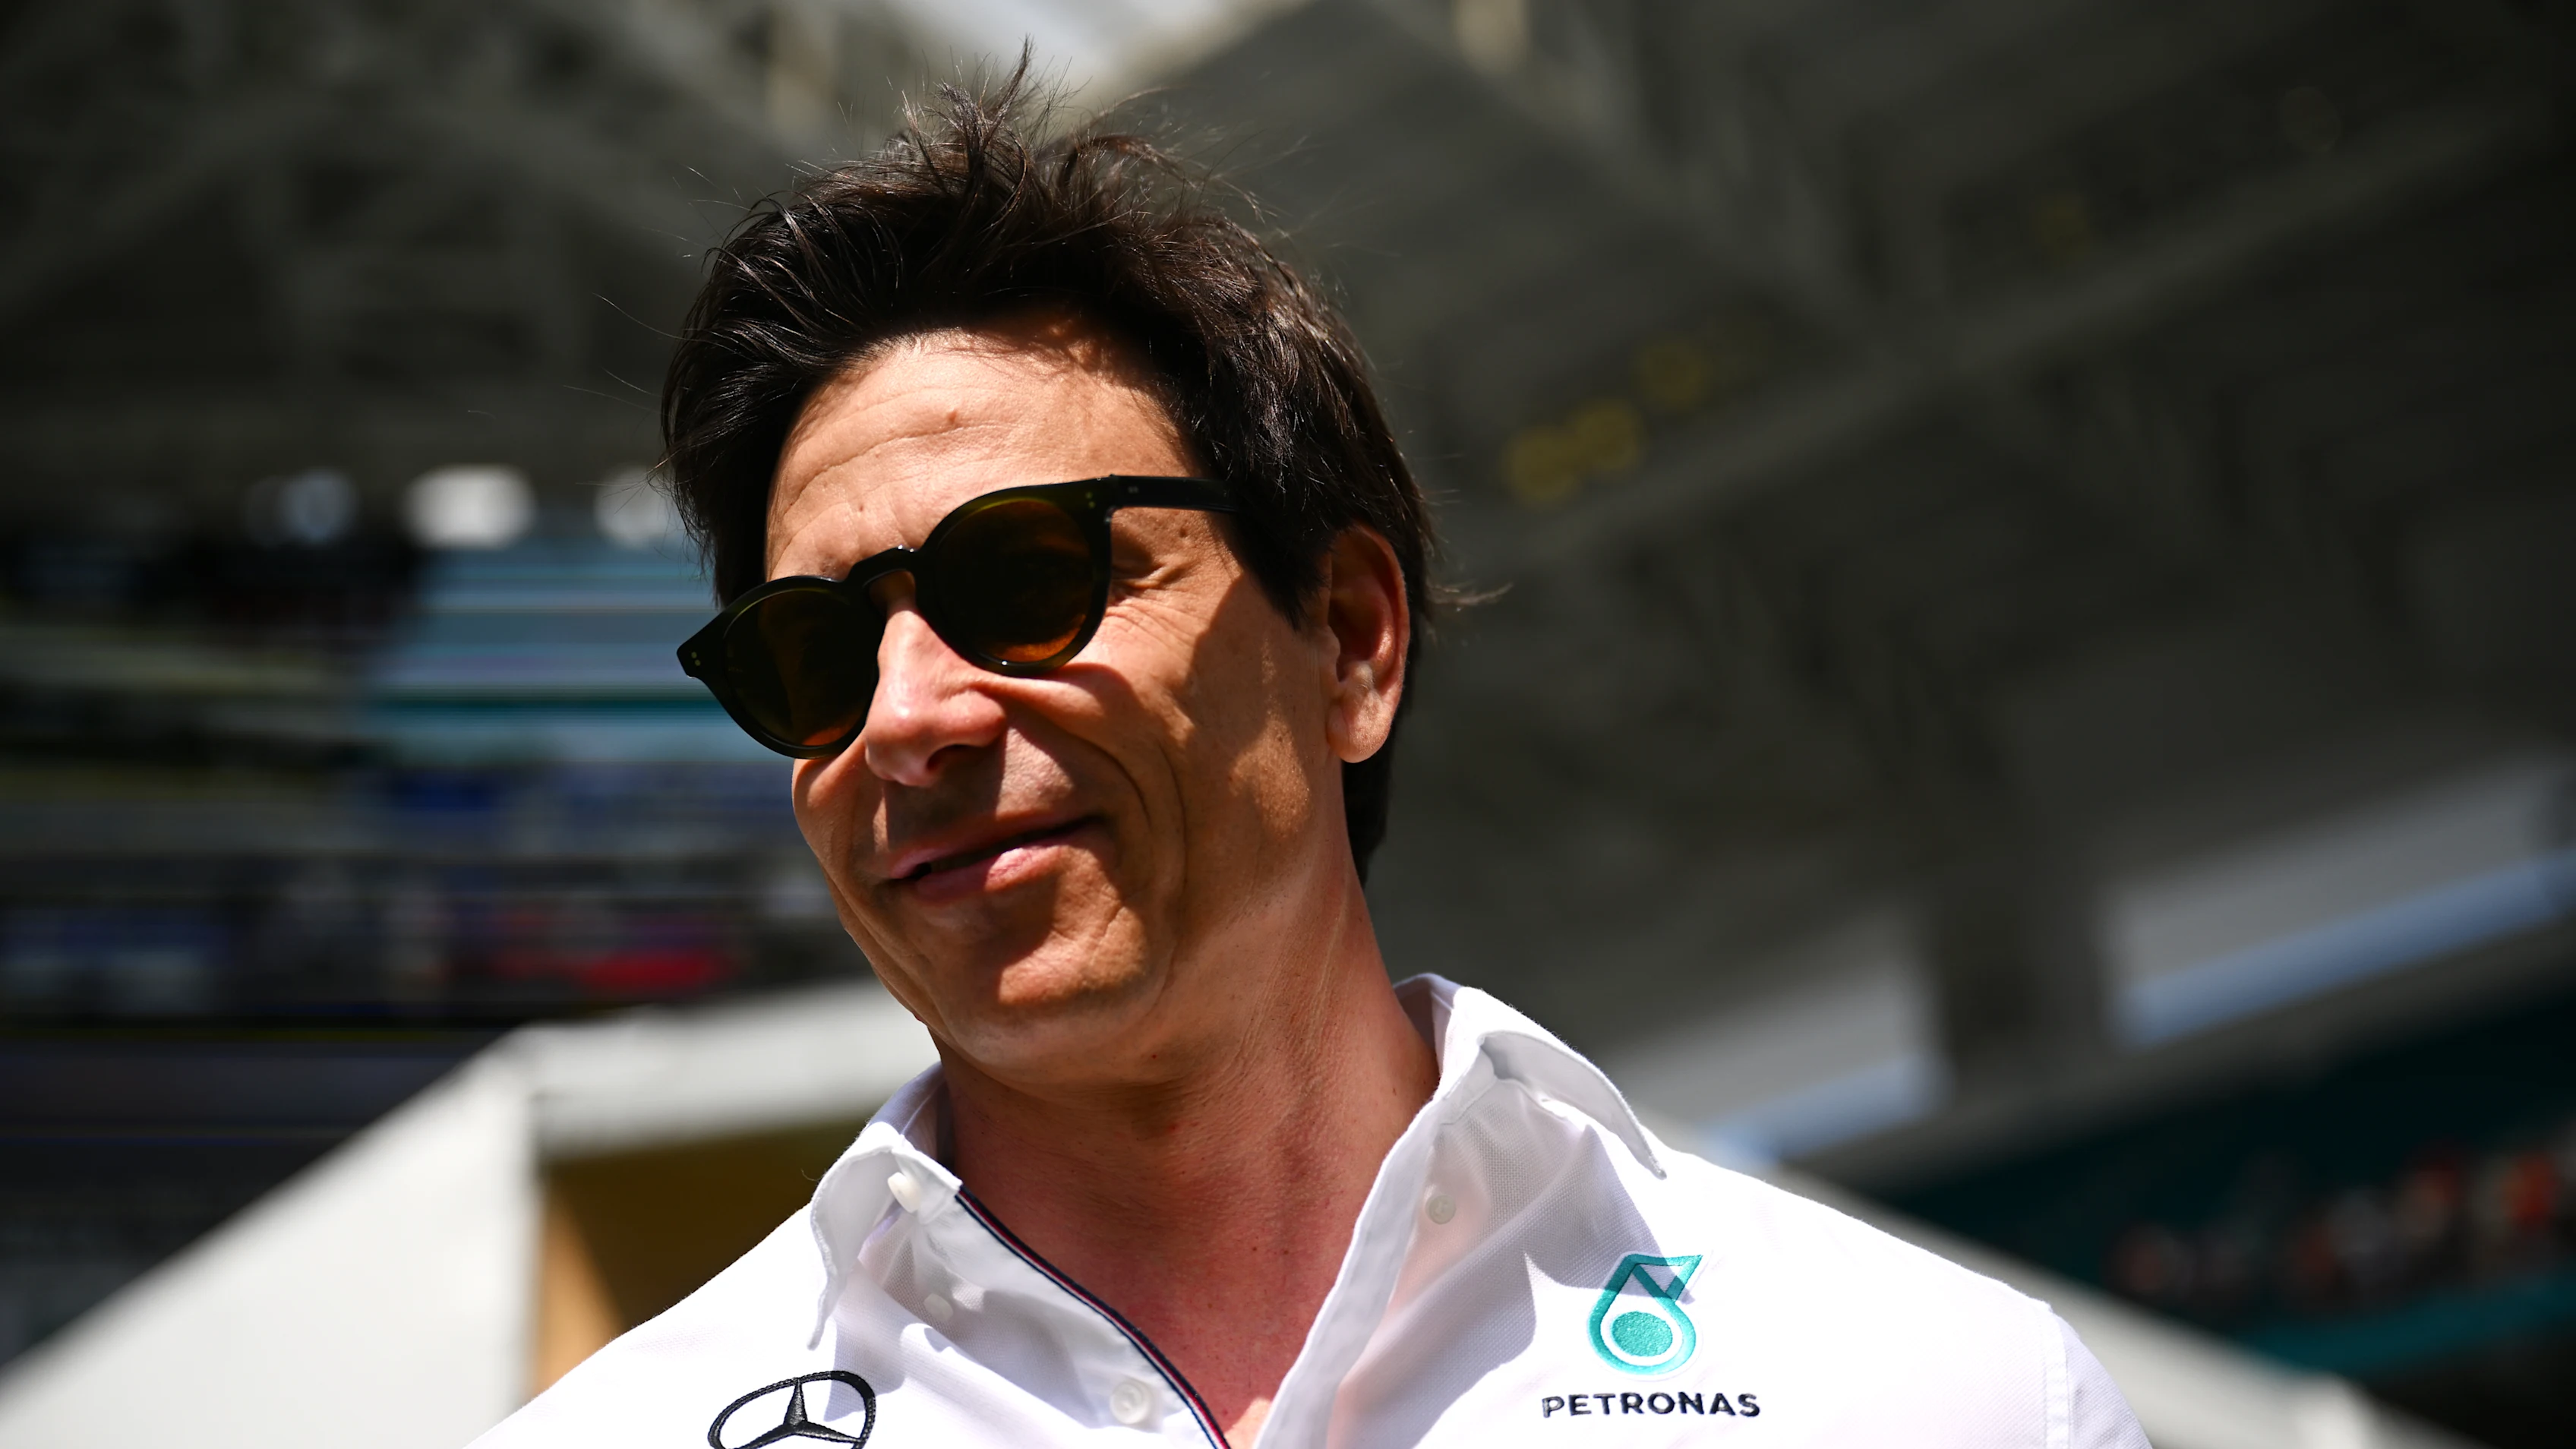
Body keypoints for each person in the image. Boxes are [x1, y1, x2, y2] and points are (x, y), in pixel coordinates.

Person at [475, 72, 2147, 1449]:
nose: (905, 716)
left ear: (1348, 639)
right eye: (809, 655)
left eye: (1026, 581)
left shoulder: (1938, 1399)